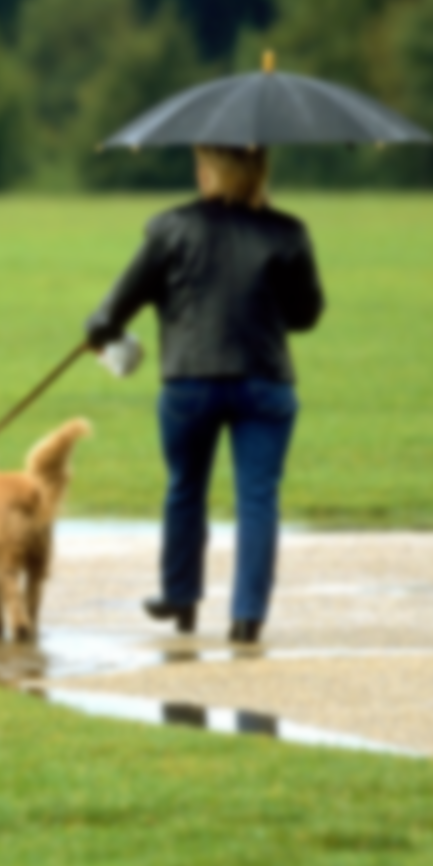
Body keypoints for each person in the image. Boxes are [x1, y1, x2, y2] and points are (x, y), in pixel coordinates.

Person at [83, 144, 325, 644]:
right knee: (258, 498)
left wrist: (98, 333)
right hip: (267, 381)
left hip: (189, 382)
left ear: (210, 170)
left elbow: (111, 313)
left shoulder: (170, 227)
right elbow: (306, 315)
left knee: (185, 489)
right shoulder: (289, 231)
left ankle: (180, 598)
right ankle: (247, 618)